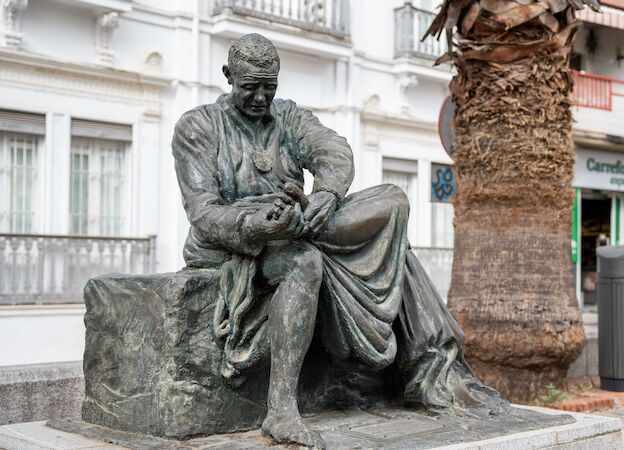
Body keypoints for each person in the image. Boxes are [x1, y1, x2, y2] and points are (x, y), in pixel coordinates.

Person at [172, 33, 508, 449]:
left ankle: (429, 367)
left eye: (268, 87)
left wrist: (325, 197)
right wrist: (260, 224)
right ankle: (281, 410)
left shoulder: (288, 117)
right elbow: (203, 212)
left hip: (299, 223)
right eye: (250, 87)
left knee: (392, 202)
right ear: (228, 76)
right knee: (307, 261)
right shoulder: (198, 127)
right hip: (238, 243)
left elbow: (333, 150)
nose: (260, 98)